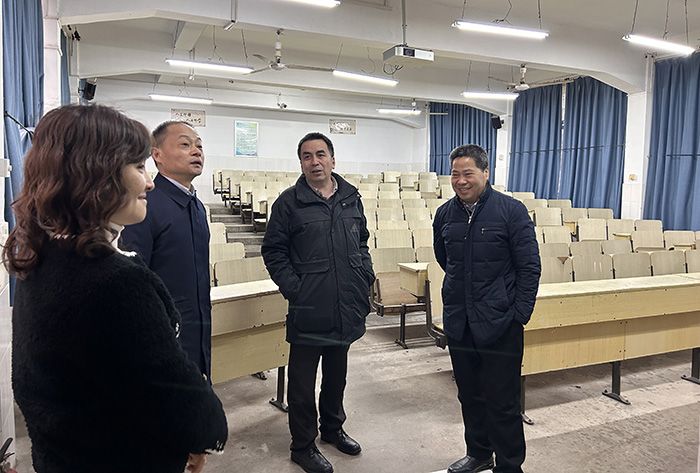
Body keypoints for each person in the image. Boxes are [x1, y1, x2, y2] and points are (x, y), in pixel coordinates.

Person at [4, 104, 228, 473]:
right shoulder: (116, 282)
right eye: (139, 167)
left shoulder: (40, 259)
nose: (149, 182)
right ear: (98, 174)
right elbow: (185, 409)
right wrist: (200, 430)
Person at [261, 132, 375, 473]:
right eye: (307, 156)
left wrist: (364, 276)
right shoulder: (288, 203)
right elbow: (274, 251)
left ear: (332, 160)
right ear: (301, 164)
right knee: (302, 384)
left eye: (321, 154)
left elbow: (363, 242)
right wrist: (296, 290)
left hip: (345, 305)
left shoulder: (351, 198)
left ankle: (333, 429)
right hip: (309, 308)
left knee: (336, 376)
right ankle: (302, 445)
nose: (315, 161)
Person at [433, 144, 541, 473]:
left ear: (485, 172)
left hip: (500, 323)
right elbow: (445, 259)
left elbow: (529, 268)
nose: (461, 180)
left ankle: (509, 465)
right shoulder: (445, 214)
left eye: (468, 173)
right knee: (469, 395)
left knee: (503, 401)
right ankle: (479, 453)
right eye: (455, 174)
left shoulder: (511, 211)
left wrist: (517, 316)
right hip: (460, 321)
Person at [121, 120, 212, 379]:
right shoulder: (144, 205)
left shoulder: (197, 206)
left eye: (199, 146)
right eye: (185, 144)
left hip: (199, 330)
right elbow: (135, 282)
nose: (196, 151)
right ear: (157, 155)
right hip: (162, 334)